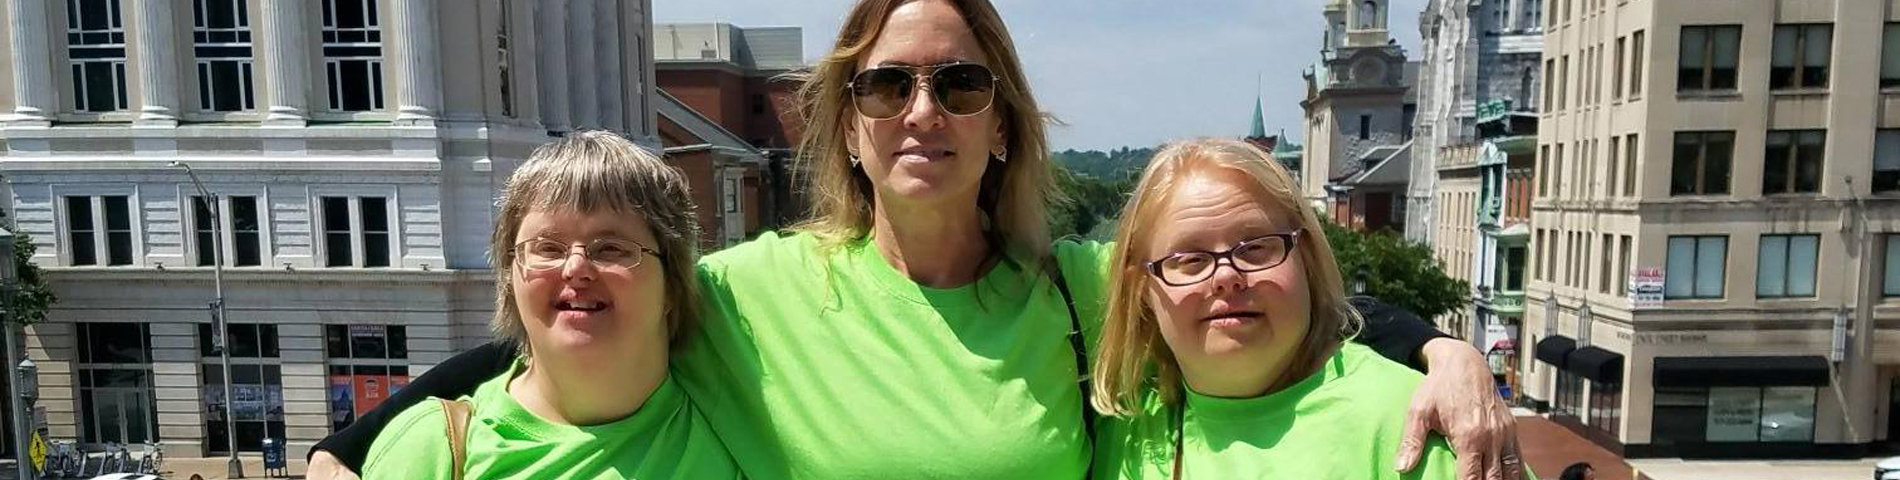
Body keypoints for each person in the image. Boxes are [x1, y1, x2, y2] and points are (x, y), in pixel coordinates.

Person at [306, 1, 1521, 479]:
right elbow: (551, 333)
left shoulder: (1082, 288)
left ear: (1005, 125)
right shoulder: (745, 293)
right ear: (847, 124)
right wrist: (344, 449)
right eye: (889, 86)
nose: (923, 111)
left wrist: (1441, 354)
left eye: (960, 83)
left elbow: (1245, 278)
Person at [357, 131, 739, 479]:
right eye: (547, 249)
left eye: (611, 248)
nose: (575, 268)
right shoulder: (432, 450)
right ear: (510, 277)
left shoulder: (739, 439)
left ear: (672, 283)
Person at [1090, 138, 1463, 479]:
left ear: (1306, 256)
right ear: (1142, 288)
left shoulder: (1412, 421)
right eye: (1190, 259)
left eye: (1256, 247)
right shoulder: (1124, 431)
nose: (1226, 276)